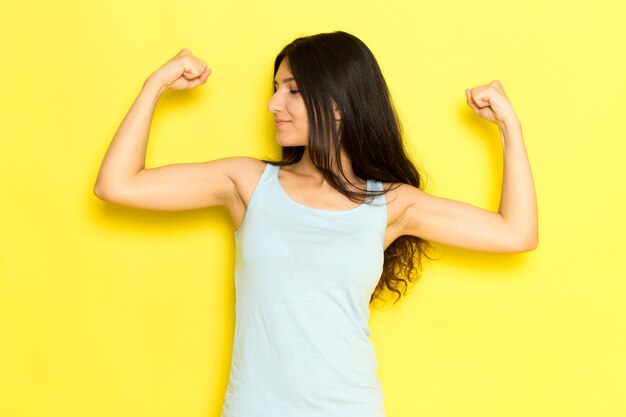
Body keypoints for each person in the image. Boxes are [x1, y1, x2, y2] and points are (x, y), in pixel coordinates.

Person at [94, 31, 537, 417]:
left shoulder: (391, 203)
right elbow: (117, 184)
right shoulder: (248, 184)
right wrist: (155, 85)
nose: (272, 104)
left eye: (291, 90)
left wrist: (508, 126)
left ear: (338, 104)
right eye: (274, 88)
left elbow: (515, 233)